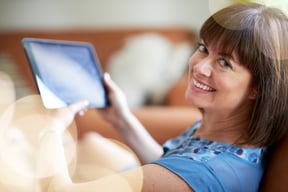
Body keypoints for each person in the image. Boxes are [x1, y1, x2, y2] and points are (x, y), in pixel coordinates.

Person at [44, 2, 288, 192]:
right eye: (204, 49)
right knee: (91, 144)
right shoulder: (225, 134)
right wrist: (121, 118)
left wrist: (51, 128)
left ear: (259, 87)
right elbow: (170, 164)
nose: (200, 67)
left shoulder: (205, 173)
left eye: (224, 63)